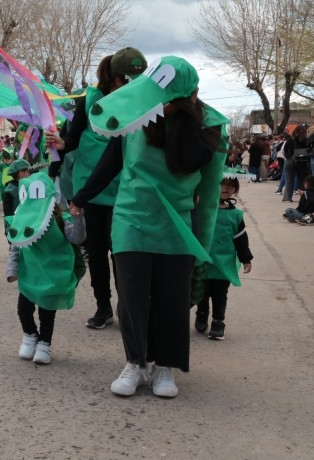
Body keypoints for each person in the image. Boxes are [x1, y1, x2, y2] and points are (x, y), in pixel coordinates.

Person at [70, 55, 225, 399]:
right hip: (131, 216)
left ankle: (165, 365)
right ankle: (136, 362)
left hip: (177, 223)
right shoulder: (135, 115)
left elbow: (207, 189)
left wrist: (204, 244)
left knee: (172, 298)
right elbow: (110, 162)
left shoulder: (209, 127)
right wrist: (81, 197)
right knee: (132, 295)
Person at [60, 47, 147, 330]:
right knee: (97, 252)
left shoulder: (137, 101)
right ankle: (103, 306)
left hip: (124, 188)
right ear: (115, 78)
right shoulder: (89, 100)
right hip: (91, 188)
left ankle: (126, 306)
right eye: (127, 79)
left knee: (121, 251)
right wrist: (59, 144)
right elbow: (72, 139)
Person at [6, 171, 86, 364]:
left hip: (52, 276)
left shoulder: (61, 218)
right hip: (30, 274)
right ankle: (30, 335)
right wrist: (12, 269)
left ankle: (44, 343)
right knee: (23, 309)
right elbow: (16, 245)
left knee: (47, 312)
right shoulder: (23, 220)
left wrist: (78, 218)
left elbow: (77, 238)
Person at [195, 171, 253, 341]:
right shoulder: (203, 209)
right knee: (202, 292)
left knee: (220, 294)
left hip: (223, 265)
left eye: (230, 185)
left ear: (235, 190)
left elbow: (241, 239)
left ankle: (218, 323)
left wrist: (246, 259)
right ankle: (202, 313)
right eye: (222, 184)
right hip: (203, 261)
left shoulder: (235, 215)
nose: (226, 188)